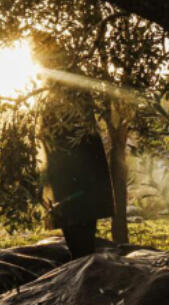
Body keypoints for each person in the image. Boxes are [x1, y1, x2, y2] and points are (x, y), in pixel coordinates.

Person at [32, 34, 114, 259]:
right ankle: (83, 276)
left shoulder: (68, 87)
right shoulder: (58, 86)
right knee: (78, 237)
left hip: (77, 177)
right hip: (74, 178)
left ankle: (84, 281)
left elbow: (72, 131)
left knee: (80, 238)